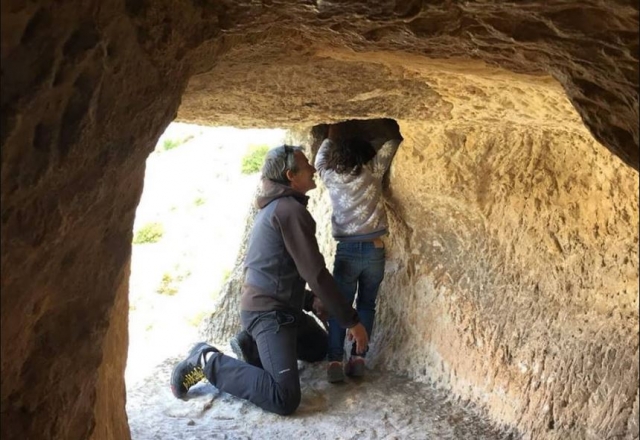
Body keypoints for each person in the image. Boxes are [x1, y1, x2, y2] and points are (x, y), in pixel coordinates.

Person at [170, 145, 369, 415]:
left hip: (285, 310)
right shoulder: (289, 211)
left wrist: (309, 300)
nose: (313, 169)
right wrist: (352, 321)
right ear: (290, 176)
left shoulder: (279, 208)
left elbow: (277, 270)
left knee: (319, 349)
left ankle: (251, 347)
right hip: (269, 315)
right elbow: (316, 274)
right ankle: (206, 360)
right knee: (283, 398)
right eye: (306, 166)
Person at [314, 129, 402, 383]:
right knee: (367, 304)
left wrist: (332, 135)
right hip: (375, 248)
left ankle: (335, 359)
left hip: (347, 252)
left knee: (339, 307)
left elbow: (320, 157)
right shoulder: (372, 170)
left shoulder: (329, 175)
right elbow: (392, 143)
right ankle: (359, 358)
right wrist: (379, 138)